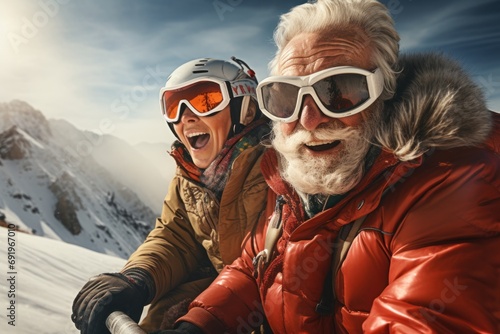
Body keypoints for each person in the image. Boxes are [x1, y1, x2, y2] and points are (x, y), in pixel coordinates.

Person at [157, 0, 500, 333]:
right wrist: (199, 323)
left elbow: (426, 317)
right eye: (287, 95)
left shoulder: (449, 179)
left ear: (386, 93)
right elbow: (254, 267)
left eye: (340, 91)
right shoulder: (290, 176)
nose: (309, 119)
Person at [71, 56, 271, 333]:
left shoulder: (278, 168)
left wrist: (205, 324)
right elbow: (176, 237)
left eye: (205, 100)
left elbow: (275, 269)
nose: (186, 115)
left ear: (246, 110)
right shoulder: (188, 177)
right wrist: (137, 280)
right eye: (174, 106)